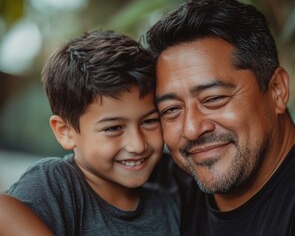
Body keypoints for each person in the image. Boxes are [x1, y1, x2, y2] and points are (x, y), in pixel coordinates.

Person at [144, 0, 295, 235]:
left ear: (277, 89)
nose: (192, 129)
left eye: (214, 99)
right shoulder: (165, 194)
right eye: (171, 110)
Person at [1, 30, 179, 235]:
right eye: (113, 128)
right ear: (65, 132)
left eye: (149, 121)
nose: (137, 145)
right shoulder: (59, 183)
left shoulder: (170, 190)